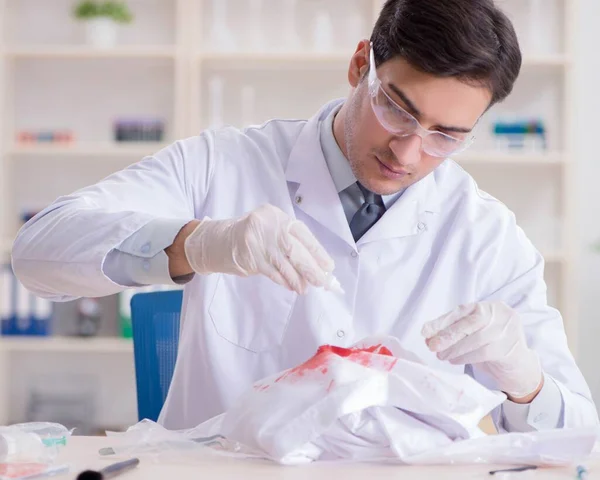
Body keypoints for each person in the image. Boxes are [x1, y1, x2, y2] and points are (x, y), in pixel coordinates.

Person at [11, 0, 598, 432]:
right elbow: (36, 255)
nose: (409, 152)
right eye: (398, 109)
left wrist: (523, 378)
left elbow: (574, 439)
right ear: (360, 65)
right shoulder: (223, 164)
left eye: (446, 136)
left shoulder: (486, 236)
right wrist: (195, 243)